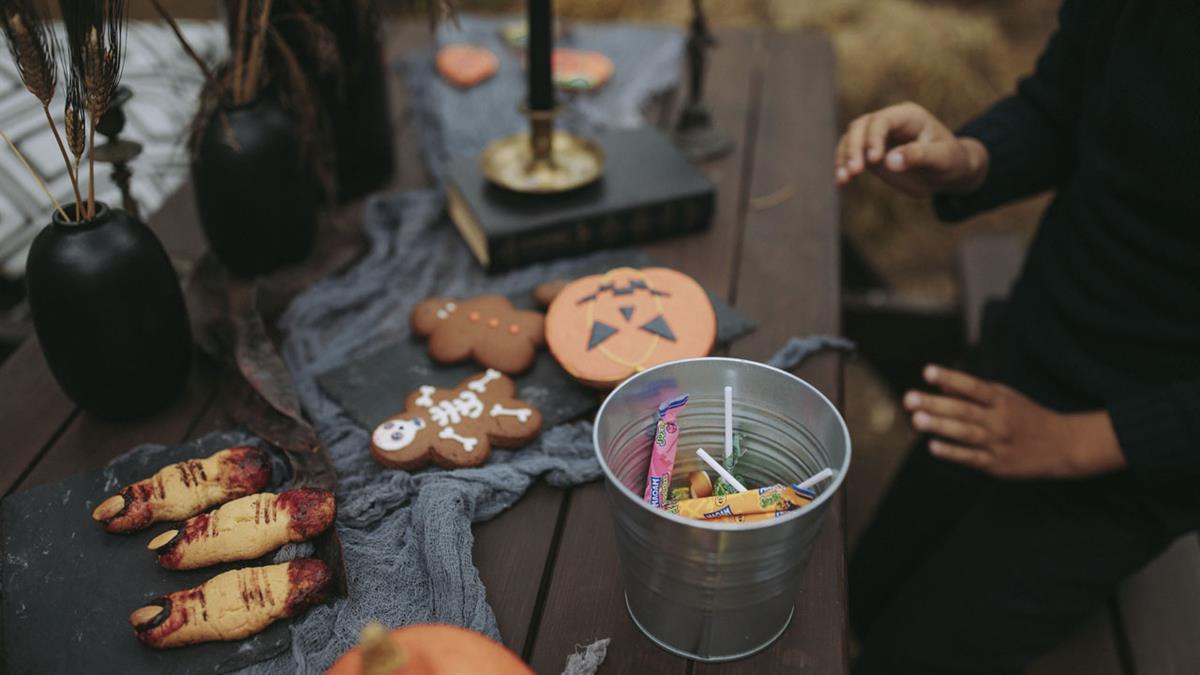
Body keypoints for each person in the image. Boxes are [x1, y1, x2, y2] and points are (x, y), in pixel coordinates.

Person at [834, 1, 1198, 672]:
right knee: (862, 594)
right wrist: (969, 157)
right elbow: (1062, 104)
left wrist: (1073, 442)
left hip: (1148, 450)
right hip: (1038, 341)